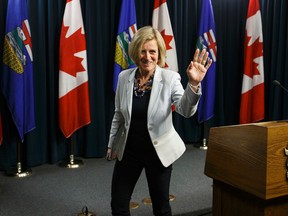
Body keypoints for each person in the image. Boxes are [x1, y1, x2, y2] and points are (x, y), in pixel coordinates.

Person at [106, 26, 212, 216]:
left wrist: (194, 84)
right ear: (135, 52)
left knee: (161, 208)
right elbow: (119, 115)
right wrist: (112, 142)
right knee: (118, 205)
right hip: (129, 151)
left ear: (159, 53)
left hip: (158, 152)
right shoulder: (124, 78)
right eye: (143, 51)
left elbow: (185, 110)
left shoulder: (170, 78)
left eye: (152, 51)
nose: (147, 56)